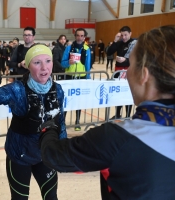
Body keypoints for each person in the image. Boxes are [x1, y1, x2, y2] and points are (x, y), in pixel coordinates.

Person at [39, 25, 175, 199]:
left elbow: (54, 155)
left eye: (130, 65)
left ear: (144, 75)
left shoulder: (119, 138)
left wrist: (48, 127)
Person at [0, 44, 67, 200]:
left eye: (48, 61)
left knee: (51, 197)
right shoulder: (17, 90)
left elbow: (61, 121)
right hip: (19, 156)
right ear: (28, 65)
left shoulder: (57, 90)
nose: (44, 67)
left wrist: (64, 148)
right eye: (37, 62)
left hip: (45, 153)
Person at [61, 28, 91, 131]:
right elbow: (62, 63)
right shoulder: (69, 48)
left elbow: (87, 66)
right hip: (69, 77)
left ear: (84, 37)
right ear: (75, 36)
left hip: (81, 78)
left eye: (82, 36)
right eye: (78, 35)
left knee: (78, 101)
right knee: (67, 100)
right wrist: (68, 62)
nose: (79, 37)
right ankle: (62, 122)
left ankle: (77, 121)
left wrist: (88, 79)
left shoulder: (87, 49)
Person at [107, 26, 137, 119]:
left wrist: (126, 60)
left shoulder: (135, 43)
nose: (123, 37)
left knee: (128, 94)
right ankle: (117, 114)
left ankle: (128, 115)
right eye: (122, 35)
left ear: (130, 34)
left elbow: (137, 59)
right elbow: (109, 52)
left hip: (129, 71)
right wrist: (115, 41)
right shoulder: (119, 43)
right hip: (118, 72)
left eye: (126, 35)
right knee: (118, 94)